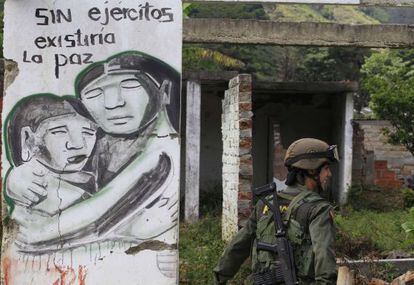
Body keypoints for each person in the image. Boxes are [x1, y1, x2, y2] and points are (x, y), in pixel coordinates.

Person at [213, 138, 338, 284]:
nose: (328, 174)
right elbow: (324, 258)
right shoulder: (318, 209)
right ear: (311, 169)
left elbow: (237, 247)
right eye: (326, 168)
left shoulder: (265, 204)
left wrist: (218, 279)